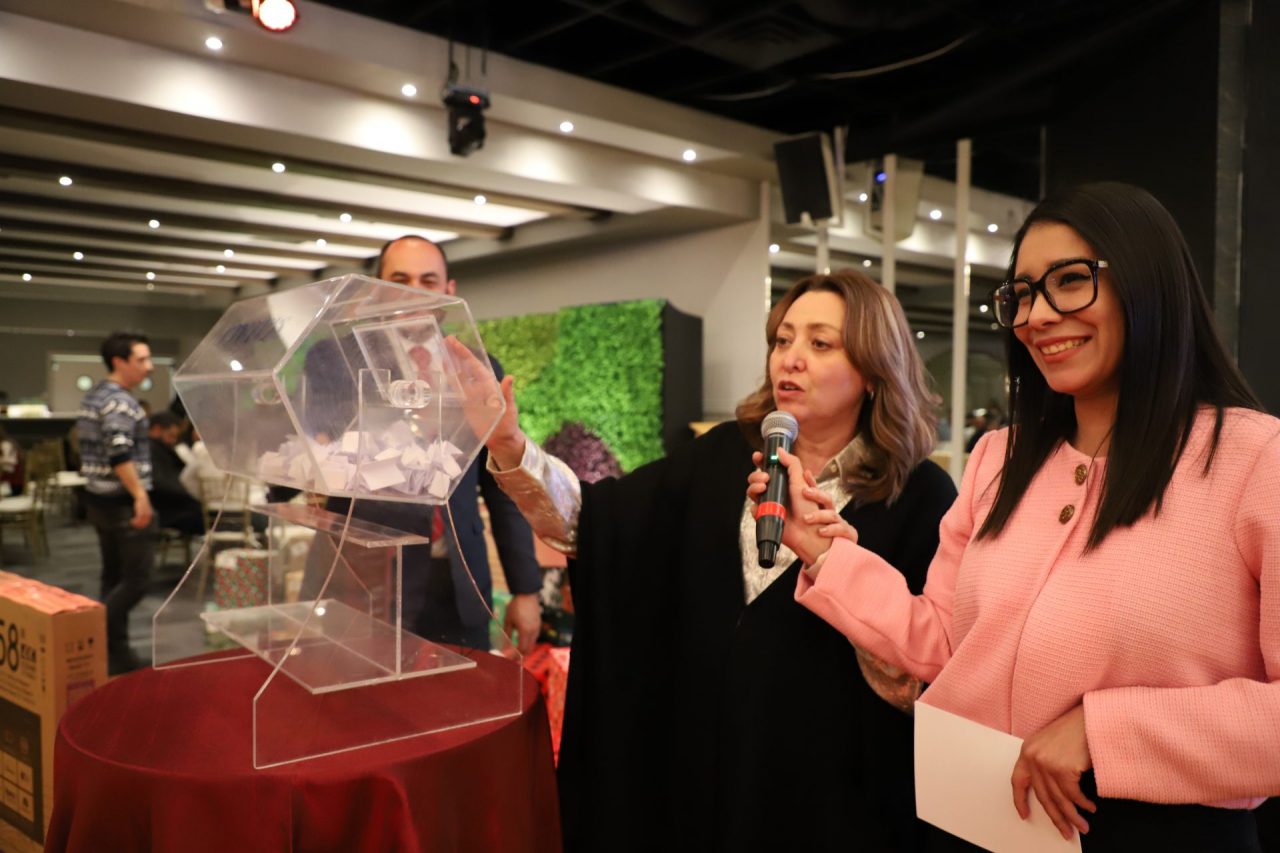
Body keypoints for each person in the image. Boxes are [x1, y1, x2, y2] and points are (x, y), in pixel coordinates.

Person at [768, 182, 1276, 851]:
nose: (1037, 315)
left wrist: (1104, 730)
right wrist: (825, 552)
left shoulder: (1253, 460)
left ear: (1148, 282)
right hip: (978, 822)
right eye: (1024, 294)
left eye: (1071, 281)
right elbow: (945, 642)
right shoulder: (998, 459)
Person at [455, 270, 957, 852]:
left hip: (824, 794)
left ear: (873, 371)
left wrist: (832, 562)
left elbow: (921, 677)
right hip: (696, 772)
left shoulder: (920, 496)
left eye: (820, 343)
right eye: (783, 339)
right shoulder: (723, 454)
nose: (791, 358)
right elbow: (593, 525)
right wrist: (510, 445)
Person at [304, 235, 542, 653]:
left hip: (459, 577)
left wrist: (526, 589)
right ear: (375, 289)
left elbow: (502, 480)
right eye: (399, 280)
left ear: (449, 290)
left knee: (463, 690)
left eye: (428, 281)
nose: (414, 291)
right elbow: (326, 449)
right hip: (370, 576)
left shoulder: (477, 366)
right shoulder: (335, 359)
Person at [78, 331, 155, 674]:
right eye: (141, 360)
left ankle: (115, 655)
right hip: (121, 501)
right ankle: (93, 632)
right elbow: (119, 451)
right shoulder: (120, 401)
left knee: (113, 576)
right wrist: (140, 495)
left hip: (98, 500)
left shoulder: (96, 395)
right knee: (137, 579)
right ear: (119, 362)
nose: (149, 367)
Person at [146, 411, 204, 536]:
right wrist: (190, 494)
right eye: (171, 436)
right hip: (169, 511)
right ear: (157, 429)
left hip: (176, 505)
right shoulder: (151, 450)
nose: (173, 441)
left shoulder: (159, 449)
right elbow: (161, 483)